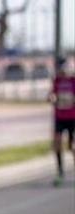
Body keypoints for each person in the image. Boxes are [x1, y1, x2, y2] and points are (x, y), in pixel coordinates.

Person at [49, 56, 75, 186]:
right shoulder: (57, 81)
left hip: (72, 118)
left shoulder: (73, 80)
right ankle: (60, 172)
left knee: (72, 146)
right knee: (57, 144)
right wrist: (52, 98)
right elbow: (51, 95)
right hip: (59, 117)